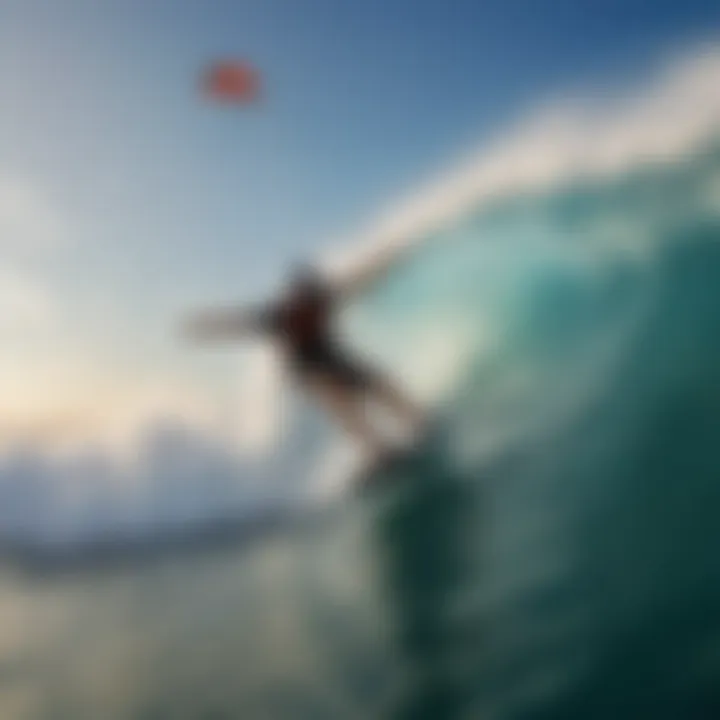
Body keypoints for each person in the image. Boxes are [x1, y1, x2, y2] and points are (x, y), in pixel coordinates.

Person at [183, 262, 425, 459]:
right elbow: (237, 324)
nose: (307, 303)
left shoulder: (323, 300)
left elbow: (357, 281)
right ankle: (377, 450)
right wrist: (205, 327)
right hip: (306, 371)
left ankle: (416, 418)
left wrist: (386, 265)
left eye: (310, 296)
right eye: (302, 297)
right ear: (294, 297)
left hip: (330, 356)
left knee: (376, 382)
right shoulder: (277, 316)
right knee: (340, 401)